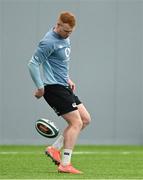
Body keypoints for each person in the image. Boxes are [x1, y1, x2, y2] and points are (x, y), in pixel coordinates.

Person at [28, 11, 91, 174]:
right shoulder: (48, 42)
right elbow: (33, 64)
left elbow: (58, 63)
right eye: (65, 31)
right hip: (52, 87)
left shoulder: (64, 38)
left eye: (71, 32)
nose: (68, 34)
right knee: (76, 123)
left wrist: (68, 78)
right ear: (58, 24)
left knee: (85, 120)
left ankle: (54, 148)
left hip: (63, 85)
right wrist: (40, 87)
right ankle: (65, 164)